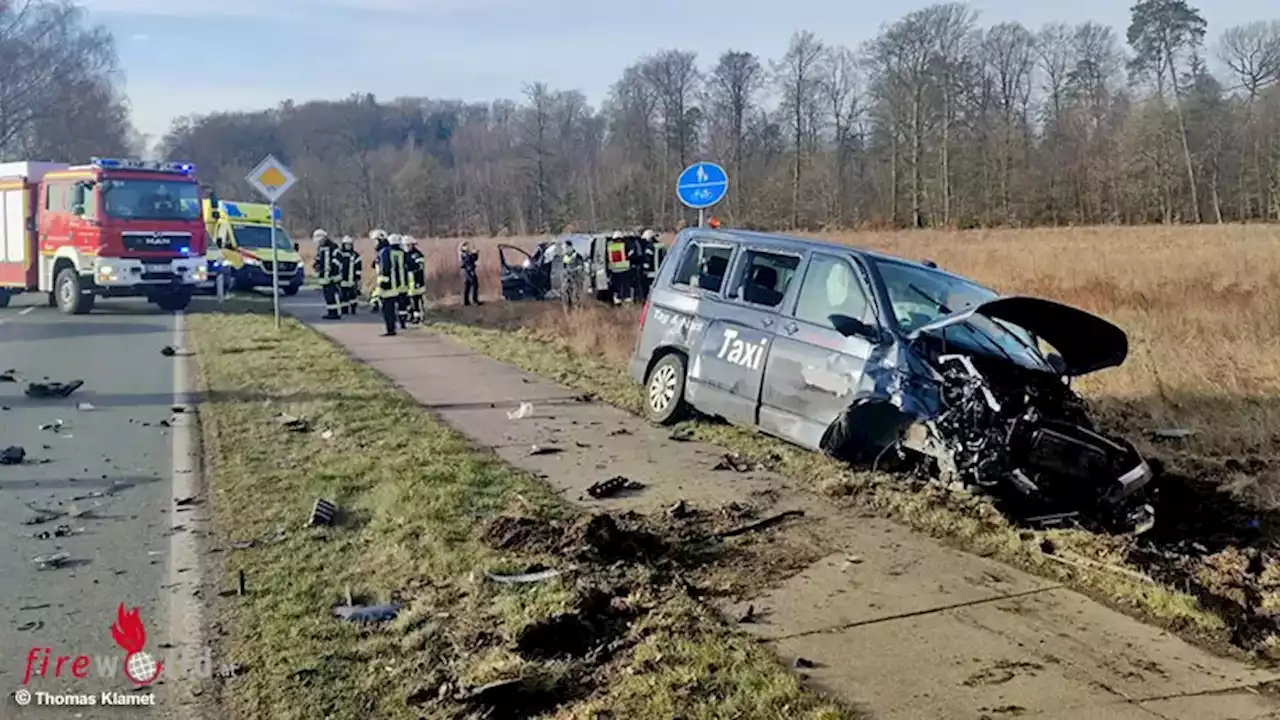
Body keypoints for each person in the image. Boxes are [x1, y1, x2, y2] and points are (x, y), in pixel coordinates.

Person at [375, 232, 408, 336]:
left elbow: (385, 269)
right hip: (394, 286)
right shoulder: (395, 252)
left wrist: (383, 284)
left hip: (387, 287)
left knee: (387, 309)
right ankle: (392, 328)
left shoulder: (384, 252)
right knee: (391, 308)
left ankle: (390, 329)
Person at [312, 229, 341, 319]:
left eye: (320, 241)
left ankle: (335, 313)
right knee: (327, 295)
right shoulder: (320, 248)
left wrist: (332, 271)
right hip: (324, 276)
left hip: (332, 277)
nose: (319, 242)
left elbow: (337, 261)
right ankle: (331, 312)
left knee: (332, 295)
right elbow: (318, 259)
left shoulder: (333, 247)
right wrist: (316, 265)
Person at [403, 235, 426, 324]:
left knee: (416, 299)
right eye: (405, 245)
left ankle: (418, 317)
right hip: (408, 282)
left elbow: (420, 267)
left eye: (407, 245)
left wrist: (409, 266)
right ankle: (411, 315)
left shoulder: (417, 254)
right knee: (409, 300)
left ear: (412, 245)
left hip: (417, 281)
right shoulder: (405, 254)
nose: (406, 247)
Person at [336, 235, 360, 315]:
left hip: (352, 279)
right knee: (343, 296)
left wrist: (357, 278)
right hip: (342, 279)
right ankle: (344, 310)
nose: (348, 246)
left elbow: (358, 267)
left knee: (353, 295)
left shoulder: (355, 255)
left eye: (349, 245)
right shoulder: (339, 254)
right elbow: (336, 265)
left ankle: (353, 308)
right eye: (346, 244)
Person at [366, 229, 387, 315]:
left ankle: (376, 305)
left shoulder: (384, 251)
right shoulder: (381, 251)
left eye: (376, 240)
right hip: (380, 277)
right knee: (376, 292)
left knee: (379, 293)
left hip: (384, 278)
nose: (375, 243)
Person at [561, 238, 584, 310]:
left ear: (570, 247)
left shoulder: (577, 256)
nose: (564, 250)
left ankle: (578, 311)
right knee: (565, 294)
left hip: (576, 280)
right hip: (567, 279)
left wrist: (573, 270)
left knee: (576, 296)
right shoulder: (565, 257)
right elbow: (564, 267)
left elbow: (581, 267)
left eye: (565, 248)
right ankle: (567, 310)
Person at [458, 241, 481, 306]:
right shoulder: (465, 254)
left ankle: (465, 302)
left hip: (465, 271)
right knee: (474, 285)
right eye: (466, 246)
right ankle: (474, 301)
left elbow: (473, 259)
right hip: (469, 270)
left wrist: (475, 254)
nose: (468, 247)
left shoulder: (463, 254)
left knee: (467, 286)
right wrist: (475, 253)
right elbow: (471, 260)